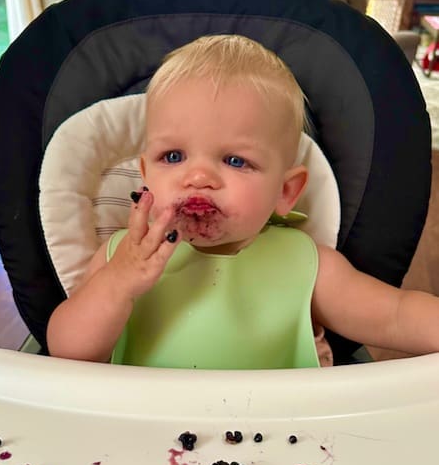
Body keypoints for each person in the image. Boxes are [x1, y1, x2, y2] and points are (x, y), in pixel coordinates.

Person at [46, 35, 439, 367]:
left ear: (285, 192)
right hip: (142, 442)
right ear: (146, 176)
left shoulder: (308, 267)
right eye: (173, 157)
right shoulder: (121, 259)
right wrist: (117, 285)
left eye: (235, 161)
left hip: (285, 444)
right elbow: (67, 351)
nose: (197, 177)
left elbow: (396, 316)